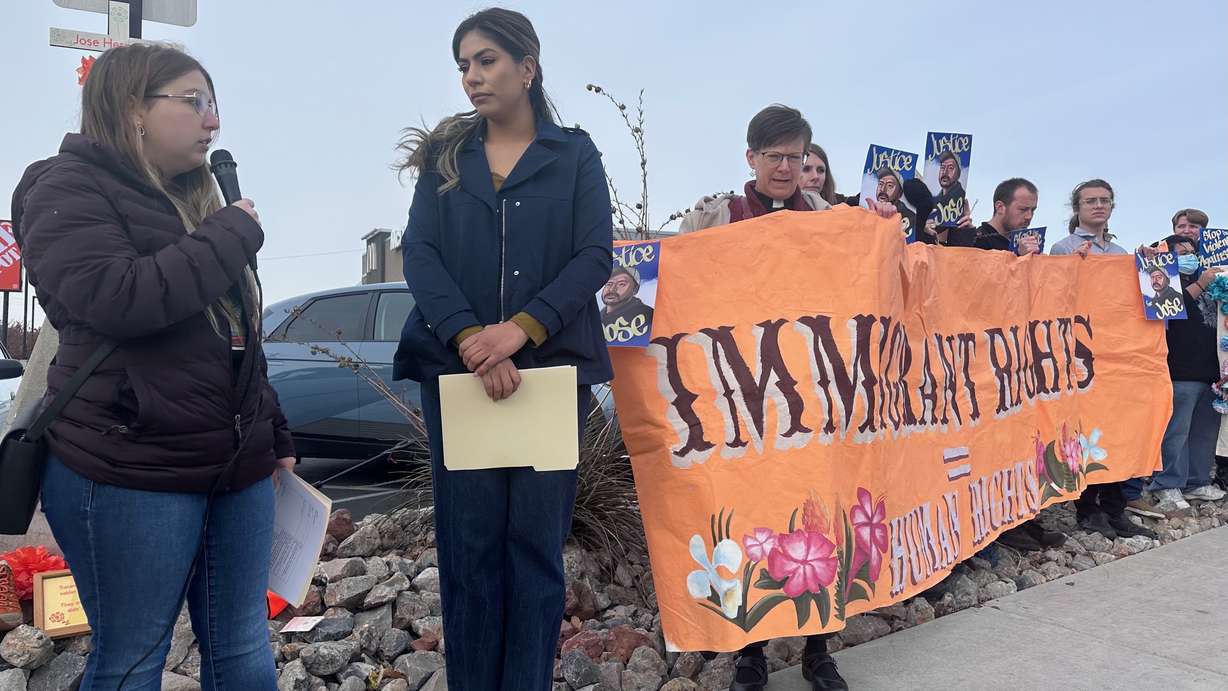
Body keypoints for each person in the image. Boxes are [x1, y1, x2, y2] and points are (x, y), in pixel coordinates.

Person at [10, 44, 294, 689]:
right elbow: (118, 299)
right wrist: (230, 235)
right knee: (135, 653)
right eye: (193, 102)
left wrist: (272, 435)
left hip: (236, 466)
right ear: (132, 108)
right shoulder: (65, 188)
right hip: (128, 466)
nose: (212, 121)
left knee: (243, 641)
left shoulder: (198, 200)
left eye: (214, 103)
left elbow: (236, 336)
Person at [391, 8, 613, 689]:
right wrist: (469, 338)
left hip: (549, 379)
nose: (472, 76)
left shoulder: (573, 154)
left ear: (527, 65)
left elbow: (593, 255)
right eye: (463, 65)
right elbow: (420, 253)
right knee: (470, 549)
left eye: (485, 59)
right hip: (458, 377)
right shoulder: (445, 160)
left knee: (536, 550)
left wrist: (520, 329)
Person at [680, 104, 849, 691]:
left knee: (817, 514)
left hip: (810, 396)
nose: (785, 167)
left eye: (795, 156)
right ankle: (750, 653)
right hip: (741, 397)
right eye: (773, 155)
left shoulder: (831, 222)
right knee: (747, 514)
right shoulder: (715, 218)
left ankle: (818, 650)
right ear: (749, 157)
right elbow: (674, 288)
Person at [1049, 179, 1156, 540]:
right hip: (1083, 356)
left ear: (1112, 206)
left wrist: (1150, 270)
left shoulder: (1122, 251)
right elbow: (1053, 300)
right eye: (1090, 201)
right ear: (1076, 208)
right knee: (1086, 432)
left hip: (1120, 356)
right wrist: (1073, 272)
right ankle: (1087, 507)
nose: (1098, 206)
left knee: (1120, 430)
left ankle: (1115, 507)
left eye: (1104, 200)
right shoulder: (1063, 248)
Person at [1125, 236, 1228, 514]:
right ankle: (1167, 483)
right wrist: (1200, 284)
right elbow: (1168, 307)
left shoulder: (1209, 283)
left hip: (1211, 374)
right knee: (1176, 432)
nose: (1189, 256)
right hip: (1178, 371)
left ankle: (1196, 480)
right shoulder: (1160, 280)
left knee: (1204, 433)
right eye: (1181, 253)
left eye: (1192, 252)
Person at [952, 177, 1041, 255]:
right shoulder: (977, 242)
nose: (1029, 216)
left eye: (1033, 210)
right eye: (1023, 209)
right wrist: (1020, 258)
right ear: (1000, 207)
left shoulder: (1029, 243)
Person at [932, 151, 966, 218]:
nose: (945, 172)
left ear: (958, 174)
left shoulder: (959, 201)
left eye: (950, 168)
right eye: (942, 167)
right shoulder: (934, 201)